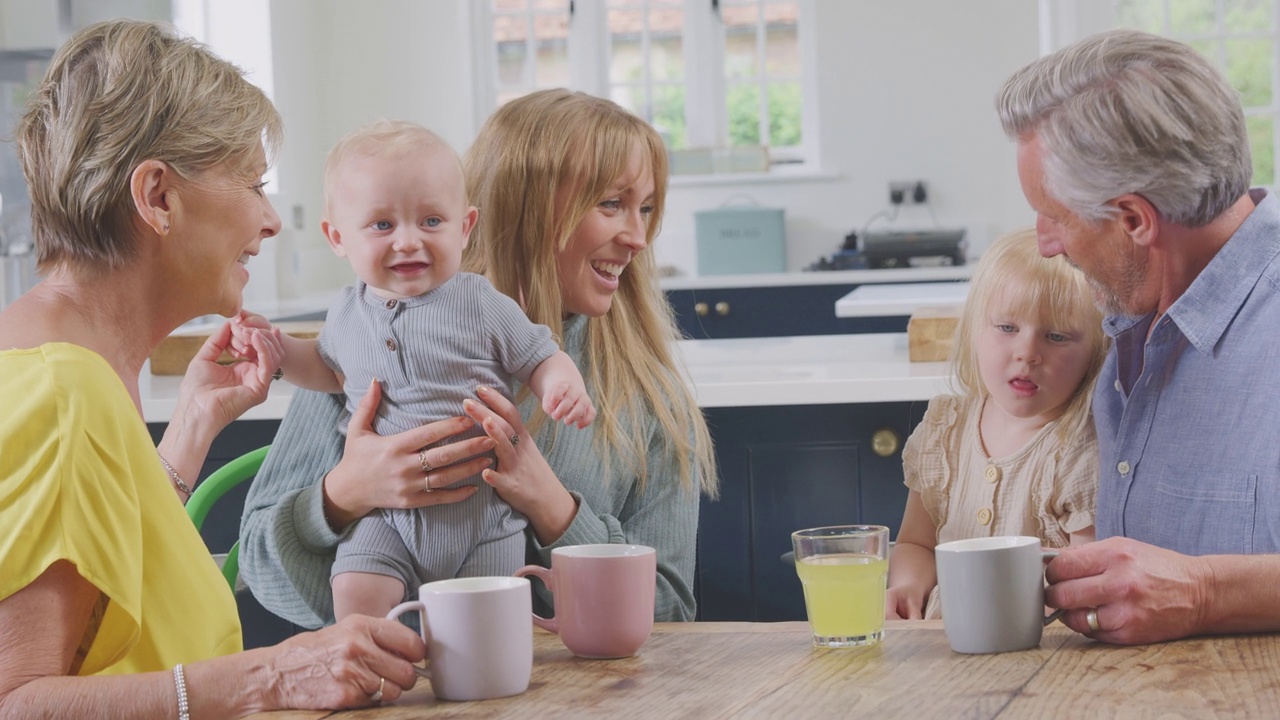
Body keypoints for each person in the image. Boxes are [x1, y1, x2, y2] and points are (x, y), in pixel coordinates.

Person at [0, 20, 426, 717]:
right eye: (253, 183)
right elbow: (16, 703)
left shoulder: (84, 371)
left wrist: (192, 431)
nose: (270, 219)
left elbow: (102, 617)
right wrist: (273, 676)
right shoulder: (60, 394)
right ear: (158, 198)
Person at [239, 88, 718, 627]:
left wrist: (555, 511)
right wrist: (344, 496)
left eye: (646, 208)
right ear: (527, 208)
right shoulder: (374, 337)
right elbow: (259, 569)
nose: (638, 236)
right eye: (611, 203)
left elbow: (671, 616)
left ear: (464, 223)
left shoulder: (647, 393)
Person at [232, 120, 594, 621]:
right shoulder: (344, 312)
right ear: (338, 237)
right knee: (355, 596)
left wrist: (562, 385)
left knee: (486, 628)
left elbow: (539, 355)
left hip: (483, 517)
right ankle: (378, 671)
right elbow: (324, 369)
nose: (407, 242)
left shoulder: (479, 301)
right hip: (385, 516)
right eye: (382, 225)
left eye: (430, 222)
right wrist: (276, 350)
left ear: (465, 229)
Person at [997, 28, 1280, 644]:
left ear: (1133, 219)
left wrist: (1205, 593)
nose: (1045, 243)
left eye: (1055, 216)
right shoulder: (1127, 316)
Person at [884, 228, 1106, 620]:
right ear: (973, 330)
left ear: (1096, 353)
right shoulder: (944, 430)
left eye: (1055, 336)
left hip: (1041, 658)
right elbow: (916, 543)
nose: (1027, 353)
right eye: (1007, 328)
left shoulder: (1081, 449)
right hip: (943, 647)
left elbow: (1091, 580)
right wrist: (907, 586)